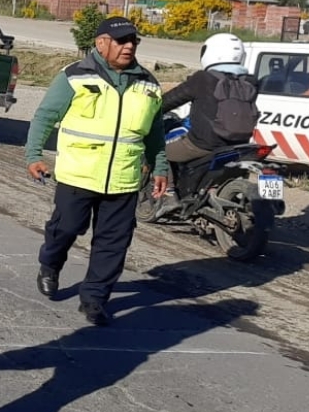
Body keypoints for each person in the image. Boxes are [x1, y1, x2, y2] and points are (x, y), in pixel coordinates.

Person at [25, 17, 168, 326]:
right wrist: (33, 155)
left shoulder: (148, 83)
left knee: (114, 243)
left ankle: (94, 299)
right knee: (66, 228)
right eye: (121, 40)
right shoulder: (74, 76)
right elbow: (45, 116)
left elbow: (155, 132)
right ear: (101, 43)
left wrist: (160, 166)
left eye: (133, 41)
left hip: (123, 178)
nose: (129, 45)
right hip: (78, 175)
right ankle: (50, 264)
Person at [151, 33, 260, 213]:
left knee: (159, 150)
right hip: (240, 145)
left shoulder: (203, 79)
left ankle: (169, 196)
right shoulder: (250, 81)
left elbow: (170, 100)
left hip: (203, 144)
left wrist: (152, 110)